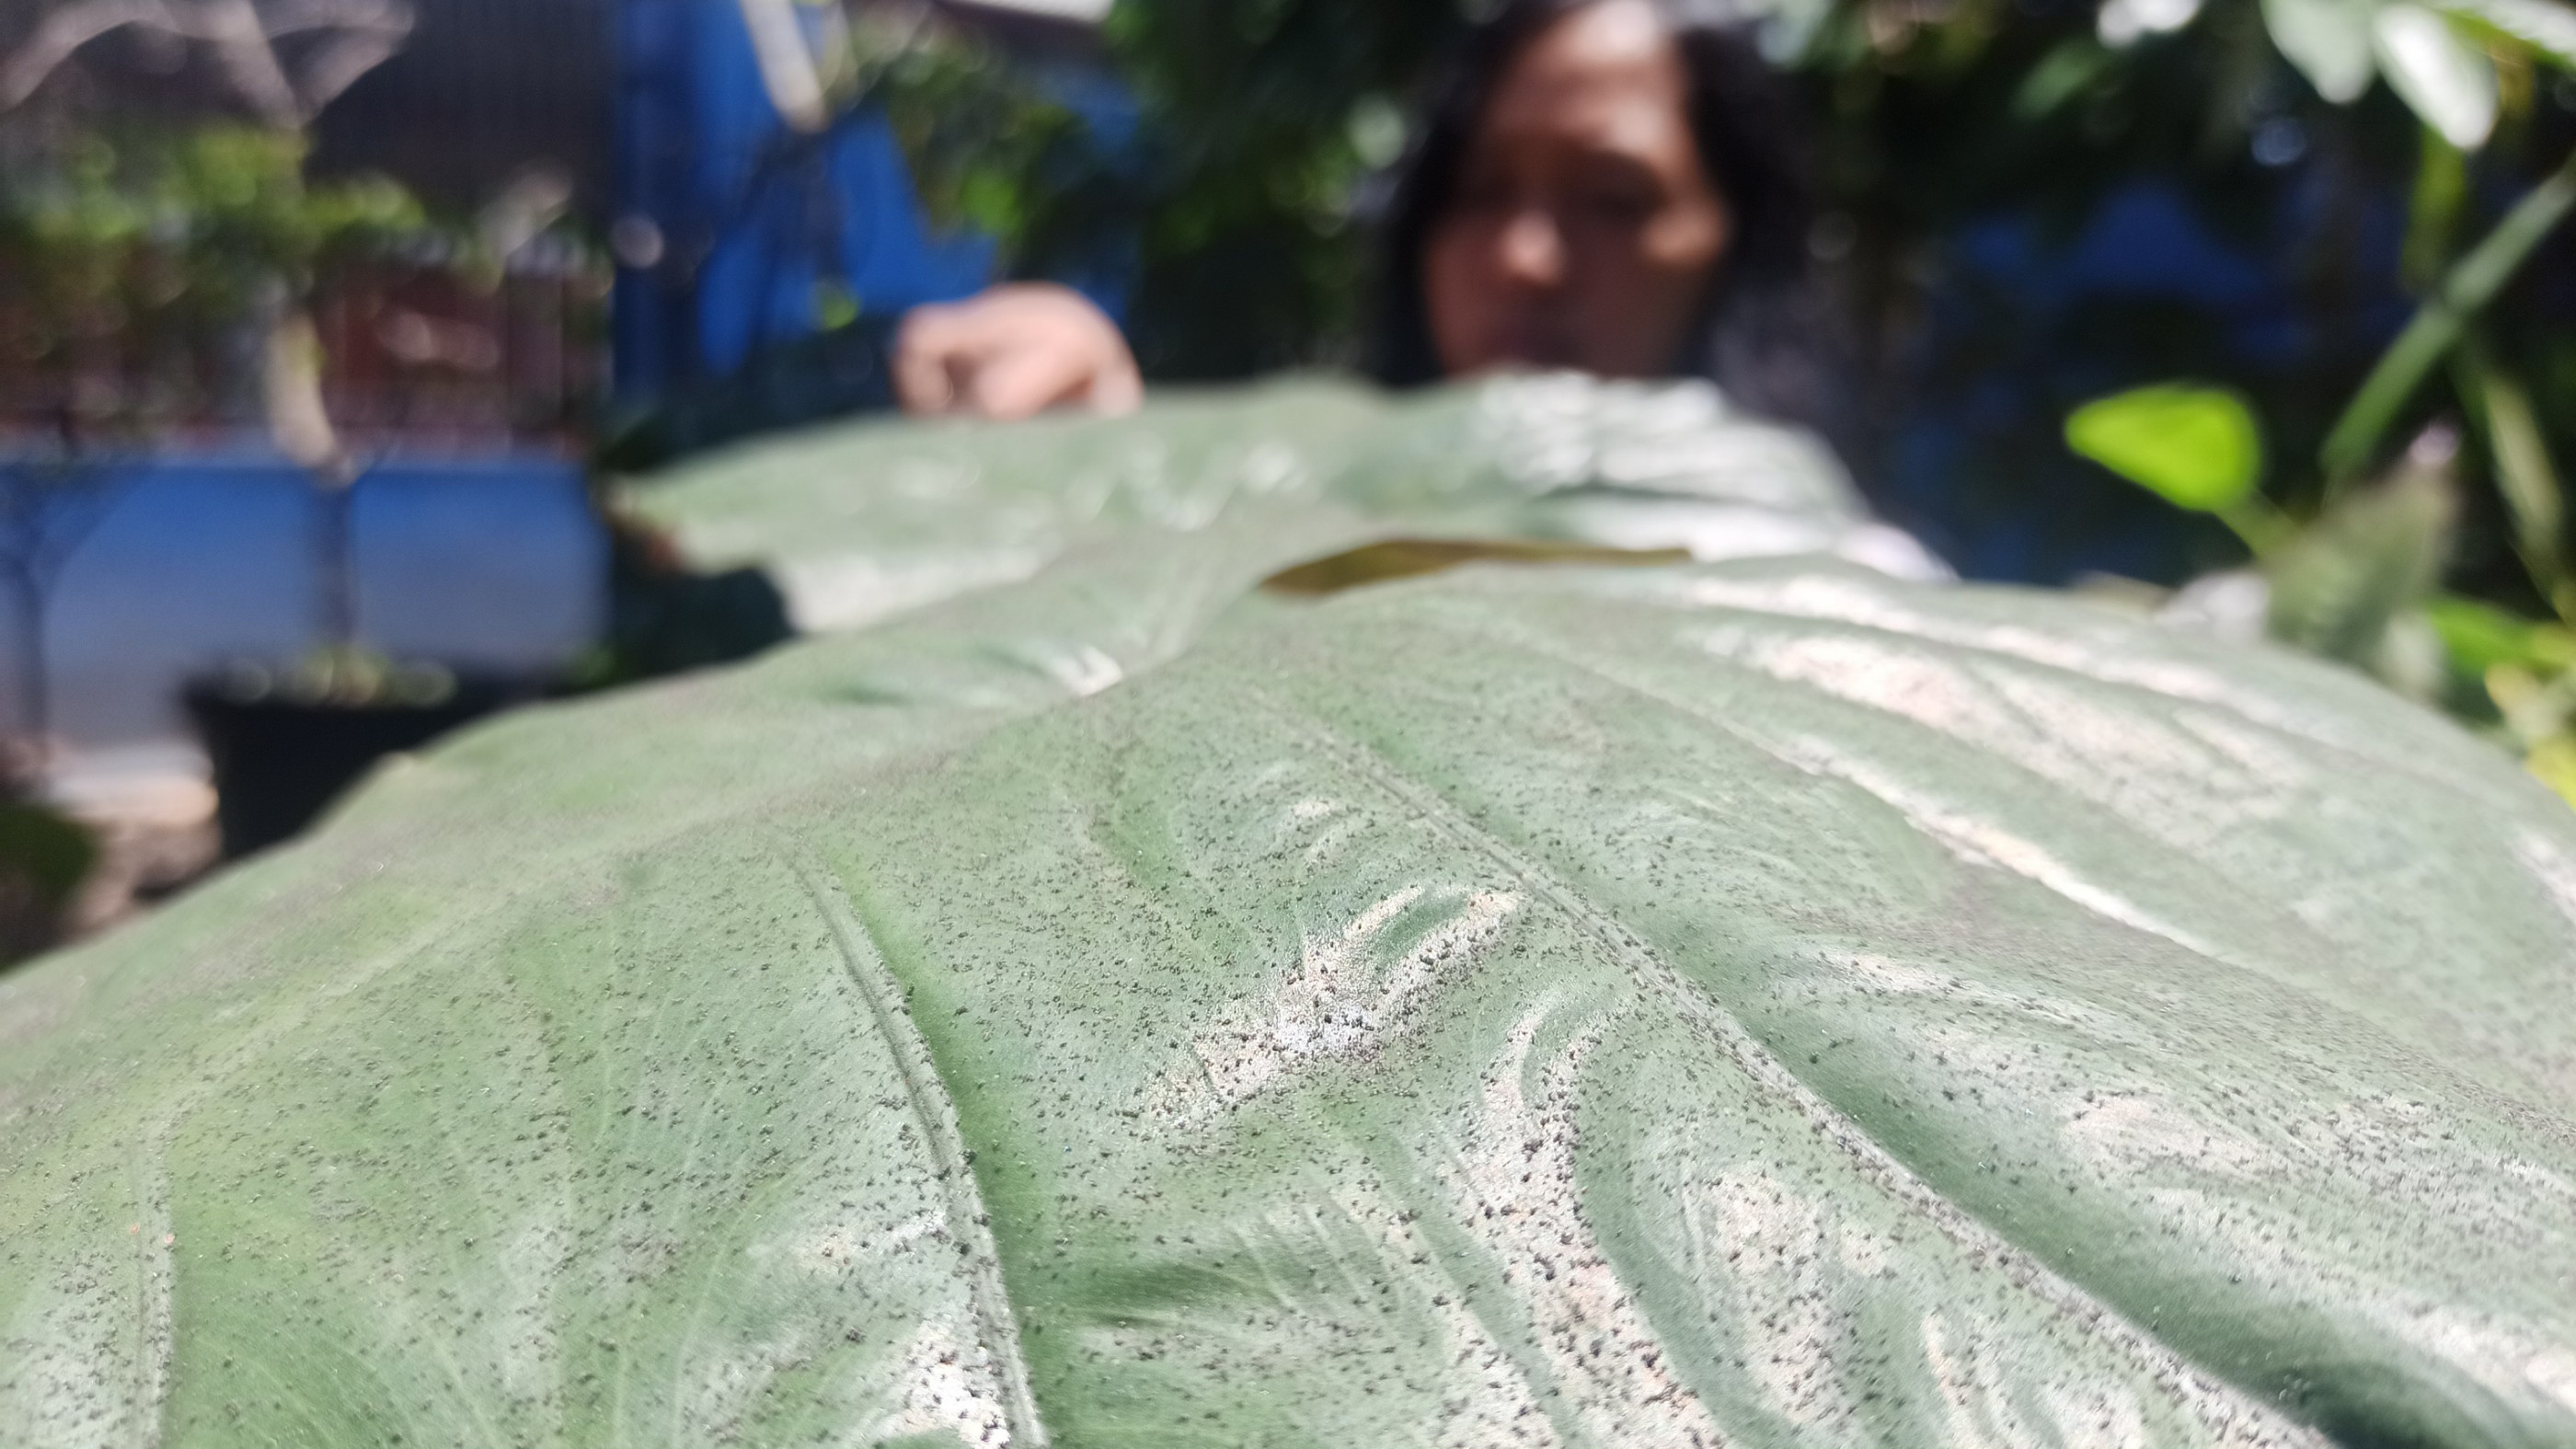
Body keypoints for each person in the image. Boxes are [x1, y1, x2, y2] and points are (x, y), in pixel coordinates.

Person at [891, 0, 1839, 442]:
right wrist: (1087, 411)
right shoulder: (1324, 509)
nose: (1523, 259)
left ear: (1732, 247)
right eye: (1478, 194)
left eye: (1613, 199)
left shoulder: (1845, 598)